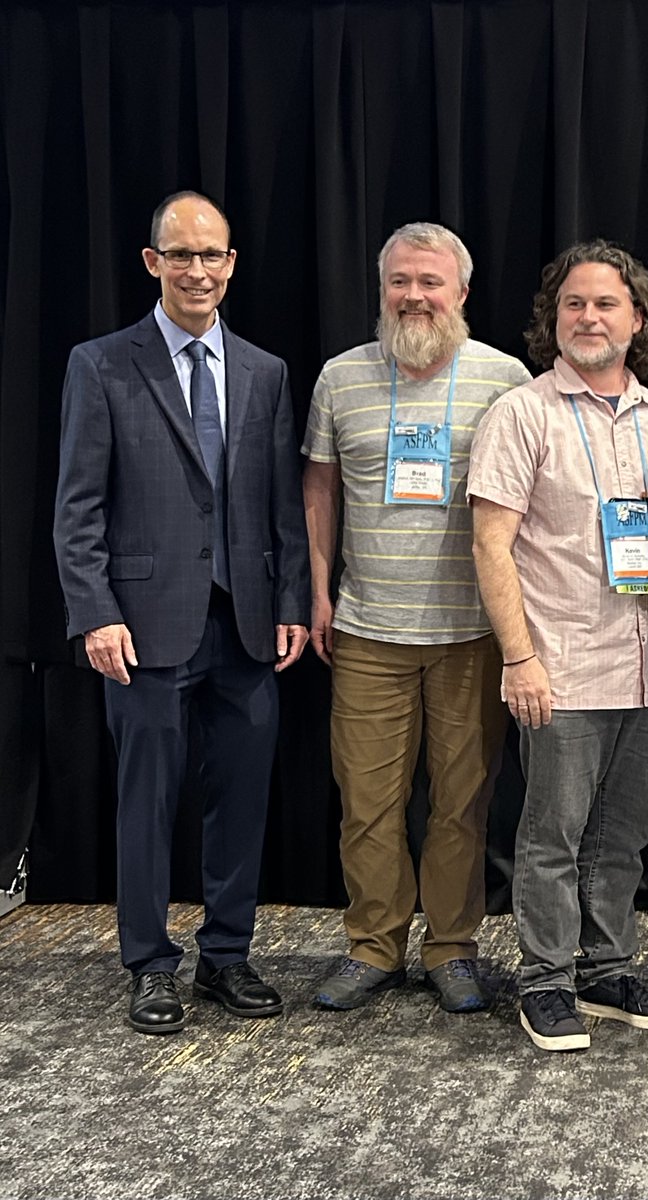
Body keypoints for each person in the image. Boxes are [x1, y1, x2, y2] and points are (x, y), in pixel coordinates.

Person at [53, 191, 310, 1034]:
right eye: (182, 254)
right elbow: (77, 506)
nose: (198, 270)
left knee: (240, 799)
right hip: (141, 625)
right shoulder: (101, 364)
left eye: (213, 256)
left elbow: (280, 506)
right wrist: (94, 612)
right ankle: (151, 964)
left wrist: (293, 603)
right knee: (146, 800)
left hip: (244, 625)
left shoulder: (266, 372)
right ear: (152, 262)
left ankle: (227, 956)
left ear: (232, 265)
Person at [303, 222, 531, 1014]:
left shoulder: (505, 379)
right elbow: (320, 490)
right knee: (366, 803)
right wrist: (320, 590)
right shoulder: (340, 378)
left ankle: (452, 948)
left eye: (430, 282)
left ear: (461, 293)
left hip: (472, 633)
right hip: (368, 631)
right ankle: (372, 946)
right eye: (399, 280)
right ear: (381, 289)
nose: (413, 295)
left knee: (462, 805)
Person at [468, 240, 648, 1052]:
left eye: (605, 304)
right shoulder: (521, 414)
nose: (588, 317)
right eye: (572, 304)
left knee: (622, 835)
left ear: (638, 320)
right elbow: (491, 545)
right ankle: (546, 980)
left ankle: (605, 967)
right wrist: (519, 658)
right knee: (552, 834)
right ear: (551, 319)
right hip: (558, 664)